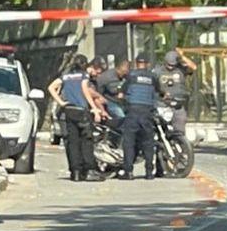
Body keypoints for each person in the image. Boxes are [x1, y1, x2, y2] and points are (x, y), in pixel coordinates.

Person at [49, 54, 106, 182]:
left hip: (69, 110)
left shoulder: (66, 76)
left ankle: (75, 172)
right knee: (86, 140)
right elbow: (85, 90)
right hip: (81, 110)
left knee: (73, 142)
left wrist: (61, 102)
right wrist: (94, 108)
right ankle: (89, 170)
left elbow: (51, 87)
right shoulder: (83, 76)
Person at [118, 54, 162, 180]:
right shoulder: (153, 77)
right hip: (147, 112)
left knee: (129, 142)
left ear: (137, 63)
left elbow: (121, 94)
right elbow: (159, 92)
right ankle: (149, 172)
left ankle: (129, 172)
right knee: (148, 143)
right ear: (147, 64)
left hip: (132, 111)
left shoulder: (131, 76)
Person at [155, 49, 197, 135]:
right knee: (162, 129)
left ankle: (180, 143)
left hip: (178, 105)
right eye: (169, 64)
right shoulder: (158, 71)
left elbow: (194, 67)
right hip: (163, 105)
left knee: (180, 128)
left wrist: (182, 56)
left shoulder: (181, 69)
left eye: (173, 65)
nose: (171, 67)